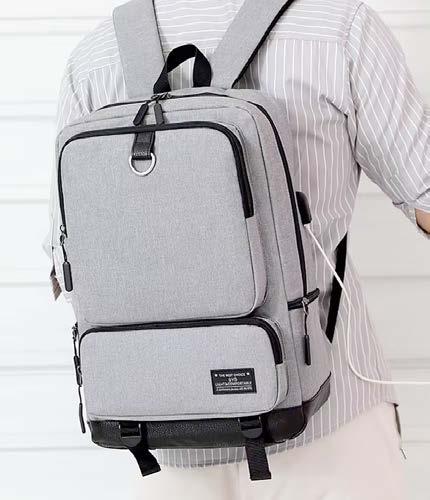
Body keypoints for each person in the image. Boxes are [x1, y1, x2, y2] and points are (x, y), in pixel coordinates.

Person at [46, 0, 430, 498]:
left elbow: (67, 261)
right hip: (331, 426)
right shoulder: (338, 29)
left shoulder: (94, 59)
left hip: (162, 438)